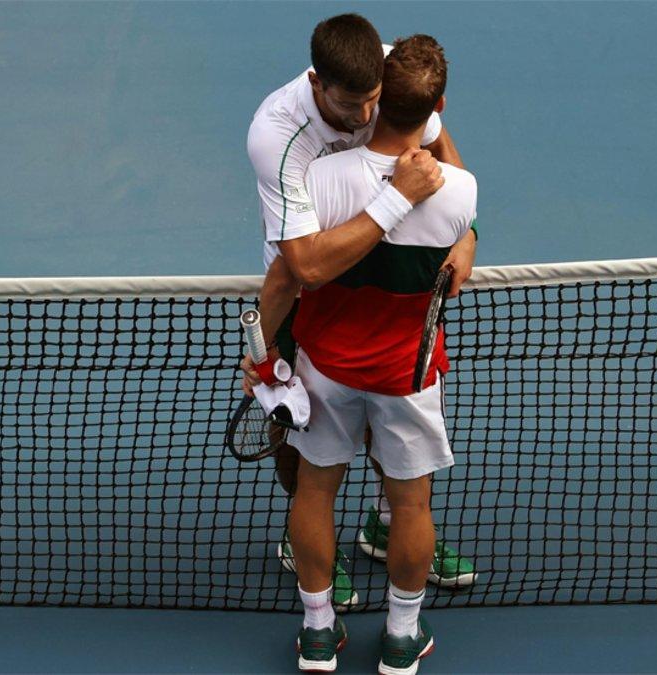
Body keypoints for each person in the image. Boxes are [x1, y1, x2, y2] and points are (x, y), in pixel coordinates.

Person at [249, 34, 476, 673]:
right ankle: (402, 636)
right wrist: (466, 235)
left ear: (380, 99)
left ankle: (319, 631)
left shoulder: (318, 179)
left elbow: (288, 277)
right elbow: (458, 225)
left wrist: (261, 354)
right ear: (437, 108)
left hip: (325, 369)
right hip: (406, 374)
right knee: (412, 503)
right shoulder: (459, 191)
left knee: (314, 495)